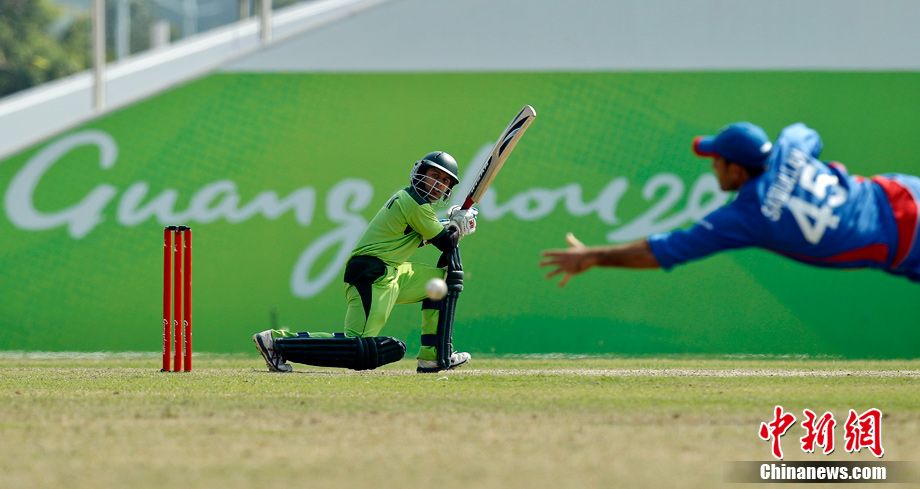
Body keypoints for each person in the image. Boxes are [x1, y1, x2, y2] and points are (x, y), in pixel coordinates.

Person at [540, 121, 920, 286]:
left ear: (736, 170)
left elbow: (665, 250)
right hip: (904, 191)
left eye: (717, 161)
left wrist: (595, 255)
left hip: (904, 240)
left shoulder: (748, 216)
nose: (713, 167)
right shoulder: (790, 147)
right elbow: (809, 134)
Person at [253, 151, 478, 373]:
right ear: (420, 173)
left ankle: (434, 356)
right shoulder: (414, 203)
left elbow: (430, 236)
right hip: (373, 274)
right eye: (435, 176)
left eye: (445, 181)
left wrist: (453, 225)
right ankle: (276, 342)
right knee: (358, 346)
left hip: (393, 272)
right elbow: (446, 242)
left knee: (443, 282)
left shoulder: (417, 206)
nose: (439, 184)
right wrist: (457, 226)